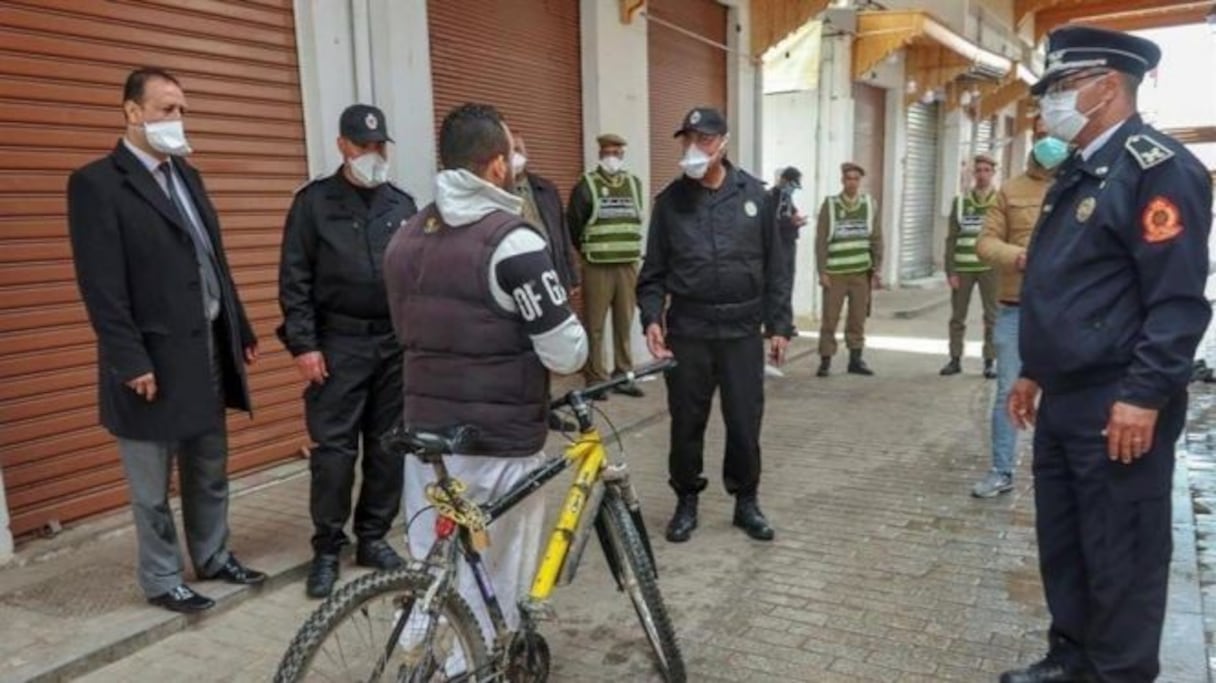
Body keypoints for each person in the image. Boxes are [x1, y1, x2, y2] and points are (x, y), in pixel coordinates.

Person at [1004, 26, 1212, 683]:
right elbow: (1067, 280)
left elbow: (1177, 301)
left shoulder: (1159, 169)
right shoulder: (1080, 168)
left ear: (1107, 85)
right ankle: (1072, 655)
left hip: (1118, 398)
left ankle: (1118, 670)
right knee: (1066, 542)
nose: (1050, 104)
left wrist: (1145, 394)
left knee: (1122, 547)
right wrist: (1035, 369)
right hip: (1066, 396)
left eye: (1062, 87)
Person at [384, 103, 588, 642]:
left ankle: (413, 659)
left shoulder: (405, 235)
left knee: (428, 563)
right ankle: (474, 668)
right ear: (497, 166)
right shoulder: (514, 242)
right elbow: (566, 354)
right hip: (496, 443)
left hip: (424, 433)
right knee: (493, 575)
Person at [66, 67, 265, 613]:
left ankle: (214, 555)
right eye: (166, 109)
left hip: (205, 349)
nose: (177, 120)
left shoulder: (188, 177)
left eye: (182, 109)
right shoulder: (98, 184)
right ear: (132, 112)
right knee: (152, 486)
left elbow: (213, 261)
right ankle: (160, 578)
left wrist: (239, 327)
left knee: (209, 465)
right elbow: (101, 286)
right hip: (150, 359)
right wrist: (129, 359)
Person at [277, 104, 418, 598]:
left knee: (387, 446)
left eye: (380, 146)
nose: (373, 155)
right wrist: (304, 344)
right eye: (363, 145)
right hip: (337, 344)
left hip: (392, 343)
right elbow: (294, 280)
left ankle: (373, 537)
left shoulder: (402, 205)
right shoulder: (313, 204)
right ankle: (327, 547)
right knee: (334, 454)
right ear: (342, 145)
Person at [637, 107, 792, 544]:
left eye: (703, 140)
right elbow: (652, 274)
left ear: (723, 142)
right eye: (688, 139)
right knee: (687, 422)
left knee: (744, 421)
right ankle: (686, 501)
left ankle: (746, 502)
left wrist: (779, 325)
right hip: (690, 330)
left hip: (742, 330)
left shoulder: (757, 197)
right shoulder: (670, 203)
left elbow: (777, 268)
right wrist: (652, 318)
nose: (694, 148)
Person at [970, 117, 1064, 499]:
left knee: (1065, 394)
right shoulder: (1009, 191)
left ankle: (1060, 475)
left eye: (1053, 135)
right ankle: (1001, 469)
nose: (1047, 142)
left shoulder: (1082, 185)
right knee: (1009, 391)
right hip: (1016, 310)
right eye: (1040, 135)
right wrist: (1020, 257)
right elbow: (985, 244)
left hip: (1065, 311)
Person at [567, 133, 646, 398]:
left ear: (623, 155)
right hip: (597, 266)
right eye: (607, 152)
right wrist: (588, 252)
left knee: (625, 323)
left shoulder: (634, 184)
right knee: (595, 325)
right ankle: (595, 378)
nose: (612, 157)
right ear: (600, 155)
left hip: (627, 266)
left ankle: (623, 375)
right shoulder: (586, 185)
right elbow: (574, 226)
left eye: (617, 152)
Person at [814, 162, 882, 377]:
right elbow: (821, 241)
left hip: (860, 272)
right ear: (842, 181)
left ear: (860, 181)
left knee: (857, 318)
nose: (852, 182)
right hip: (835, 274)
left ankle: (855, 360)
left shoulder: (869, 204)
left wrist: (876, 269)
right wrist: (822, 271)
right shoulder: (831, 205)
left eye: (856, 178)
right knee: (830, 318)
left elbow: (877, 238)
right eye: (848, 178)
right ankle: (825, 360)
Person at [941, 154, 1000, 378]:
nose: (982, 174)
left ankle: (989, 361)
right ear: (973, 174)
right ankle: (955, 359)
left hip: (991, 267)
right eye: (979, 170)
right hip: (963, 267)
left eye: (987, 170)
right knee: (958, 315)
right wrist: (951, 270)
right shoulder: (961, 202)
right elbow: (951, 239)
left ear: (993, 173)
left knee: (992, 316)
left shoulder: (999, 201)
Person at [770, 166, 807, 334]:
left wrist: (797, 219)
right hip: (778, 246)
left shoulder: (786, 198)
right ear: (784, 181)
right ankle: (776, 325)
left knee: (787, 284)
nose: (793, 189)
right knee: (779, 285)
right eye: (792, 184)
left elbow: (791, 214)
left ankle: (785, 323)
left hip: (788, 243)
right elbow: (772, 223)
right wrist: (790, 222)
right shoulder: (772, 198)